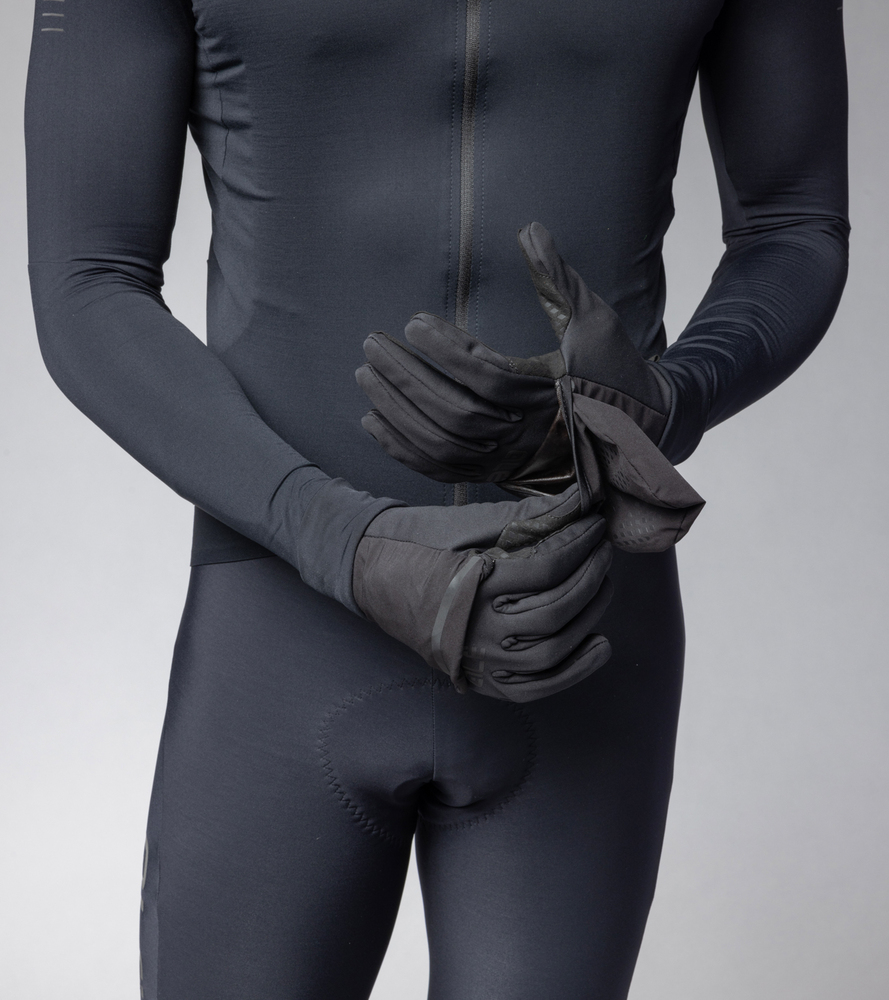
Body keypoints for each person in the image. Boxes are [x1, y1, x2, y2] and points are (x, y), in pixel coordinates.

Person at [24, 0, 848, 997]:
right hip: (284, 633)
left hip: (573, 623)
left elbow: (792, 222)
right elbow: (88, 278)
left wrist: (664, 401)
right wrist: (337, 535)